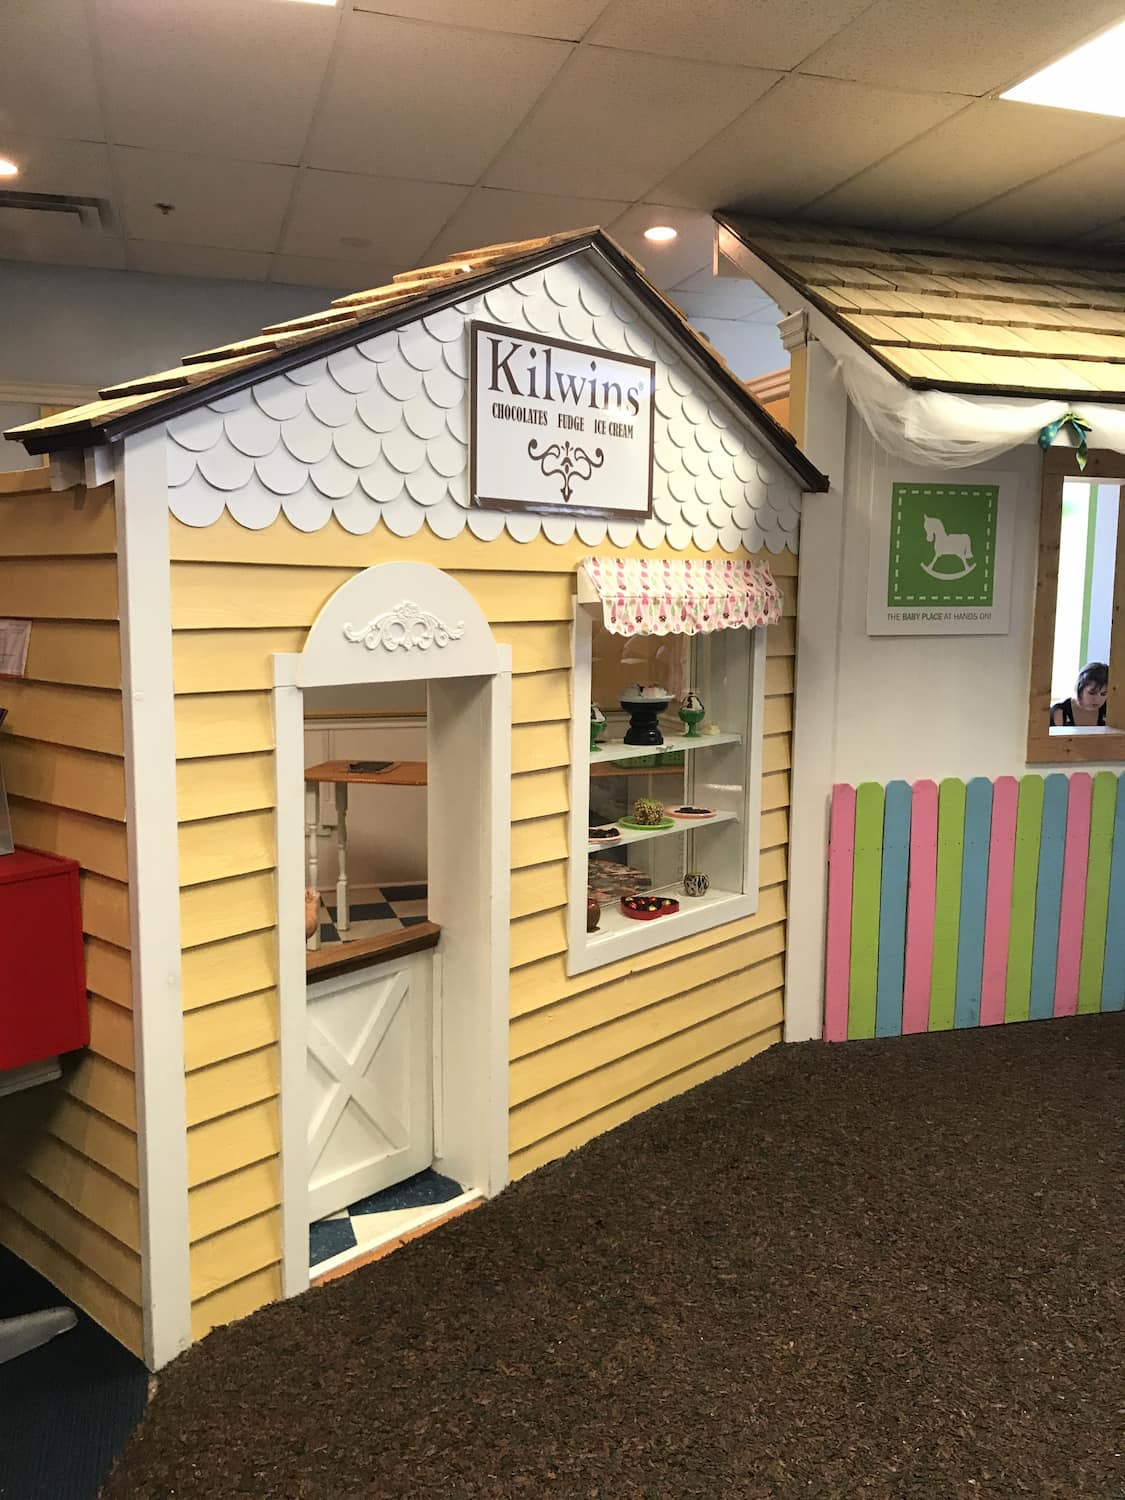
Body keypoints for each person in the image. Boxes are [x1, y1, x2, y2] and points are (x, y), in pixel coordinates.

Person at [1050, 661, 1108, 728]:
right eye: (1092, 693)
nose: (1097, 699)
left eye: (1103, 694)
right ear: (1079, 688)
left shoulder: (1109, 710)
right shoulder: (1060, 712)